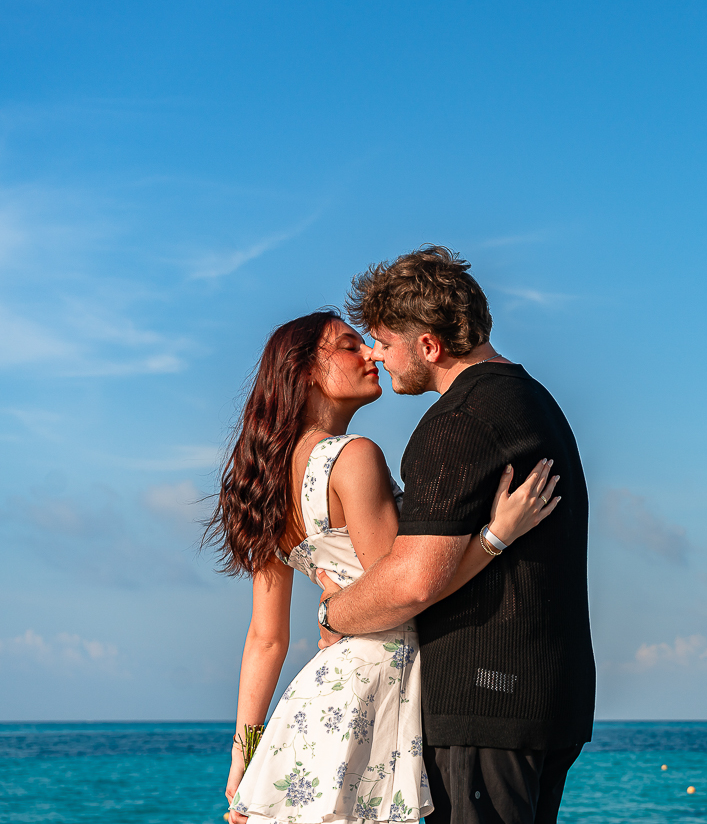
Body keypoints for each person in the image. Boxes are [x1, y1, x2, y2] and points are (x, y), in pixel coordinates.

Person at [206, 309, 559, 824]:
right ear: (306, 371)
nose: (370, 353)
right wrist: (494, 537)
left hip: (313, 700)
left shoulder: (265, 483)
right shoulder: (353, 457)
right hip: (374, 688)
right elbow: (406, 594)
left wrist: (245, 752)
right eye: (350, 346)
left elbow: (265, 639)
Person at [316, 247, 595, 824]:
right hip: (547, 698)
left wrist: (333, 614)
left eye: (384, 342)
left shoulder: (459, 420)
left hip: (484, 699)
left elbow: (414, 581)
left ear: (429, 346)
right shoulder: (530, 398)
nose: (375, 354)